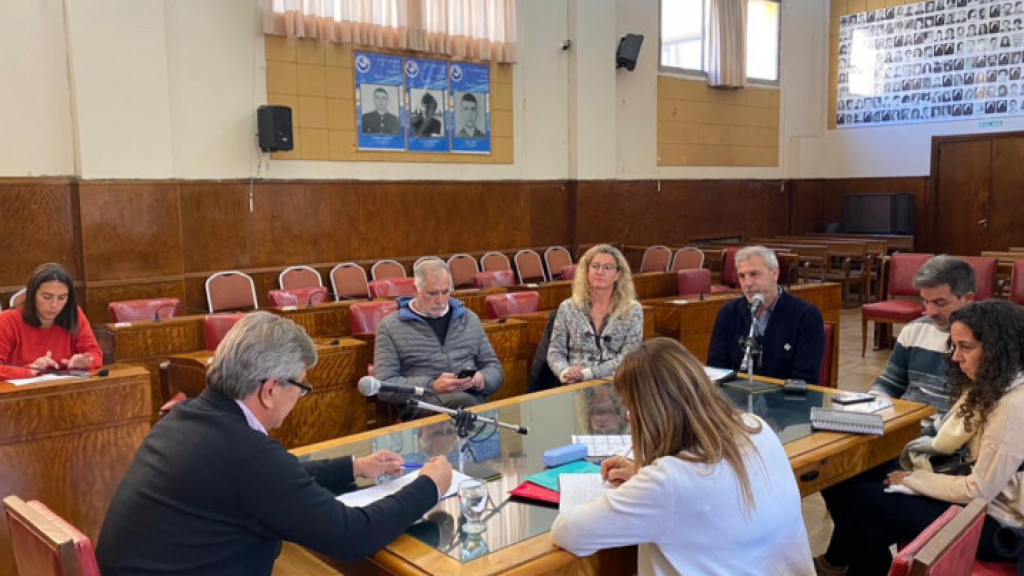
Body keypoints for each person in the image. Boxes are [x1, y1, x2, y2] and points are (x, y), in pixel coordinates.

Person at [96, 312, 453, 575]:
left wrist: (353, 467)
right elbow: (352, 535)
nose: (299, 397)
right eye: (300, 386)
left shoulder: (188, 416)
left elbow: (277, 476)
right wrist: (429, 485)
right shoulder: (244, 453)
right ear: (269, 390)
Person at [551, 338, 814, 575]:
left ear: (651, 413)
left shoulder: (668, 481)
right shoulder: (756, 428)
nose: (629, 419)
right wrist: (642, 475)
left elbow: (569, 532)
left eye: (631, 409)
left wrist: (645, 483)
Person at [816, 300, 1024, 575]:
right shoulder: (994, 384)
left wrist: (912, 480)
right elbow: (948, 439)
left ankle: (836, 562)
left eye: (966, 347)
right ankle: (845, 564)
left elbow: (979, 490)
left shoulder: (1013, 405)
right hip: (976, 496)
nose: (955, 357)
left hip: (999, 527)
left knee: (864, 500)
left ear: (999, 350)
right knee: (851, 488)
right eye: (954, 346)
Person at [374, 258, 503, 419]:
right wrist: (432, 386)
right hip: (423, 405)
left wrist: (482, 380)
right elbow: (384, 385)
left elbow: (493, 367)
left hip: (472, 401)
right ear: (415, 290)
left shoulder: (469, 318)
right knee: (464, 404)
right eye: (433, 293)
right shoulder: (390, 327)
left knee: (472, 405)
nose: (441, 301)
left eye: (445, 292)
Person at [870, 255, 976, 416]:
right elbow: (888, 384)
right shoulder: (914, 330)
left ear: (968, 299)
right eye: (926, 301)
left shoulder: (986, 339)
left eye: (940, 303)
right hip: (906, 422)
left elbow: (975, 409)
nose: (931, 312)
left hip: (949, 428)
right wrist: (868, 409)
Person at [707, 246, 825, 383]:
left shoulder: (806, 316)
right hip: (737, 393)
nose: (747, 283)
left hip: (785, 395)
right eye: (741, 276)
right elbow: (717, 368)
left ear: (775, 274)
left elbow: (805, 378)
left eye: (754, 274)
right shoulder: (728, 313)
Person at [547, 244, 643, 384]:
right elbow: (555, 351)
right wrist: (565, 371)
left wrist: (588, 373)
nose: (600, 272)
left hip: (616, 382)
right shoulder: (568, 307)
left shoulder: (633, 310)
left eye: (607, 267)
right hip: (574, 384)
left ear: (618, 275)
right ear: (586, 271)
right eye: (595, 266)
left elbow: (629, 357)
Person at [0, 262, 102, 380]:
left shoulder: (74, 314)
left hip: (66, 387)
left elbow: (95, 353)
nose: (54, 305)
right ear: (32, 295)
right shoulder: (7, 321)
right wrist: (30, 370)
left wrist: (86, 362)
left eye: (62, 298)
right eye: (47, 297)